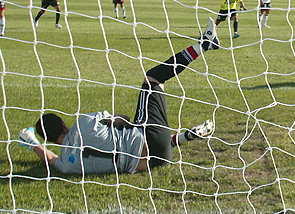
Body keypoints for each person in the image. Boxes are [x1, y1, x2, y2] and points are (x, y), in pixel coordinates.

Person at [17, 18, 221, 175]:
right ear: (63, 123)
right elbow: (122, 119)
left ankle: (183, 137)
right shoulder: (84, 124)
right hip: (150, 139)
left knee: (132, 148)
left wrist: (32, 143)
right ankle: (204, 44)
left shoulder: (66, 165)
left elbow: (51, 160)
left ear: (50, 140)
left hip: (157, 161)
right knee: (153, 79)